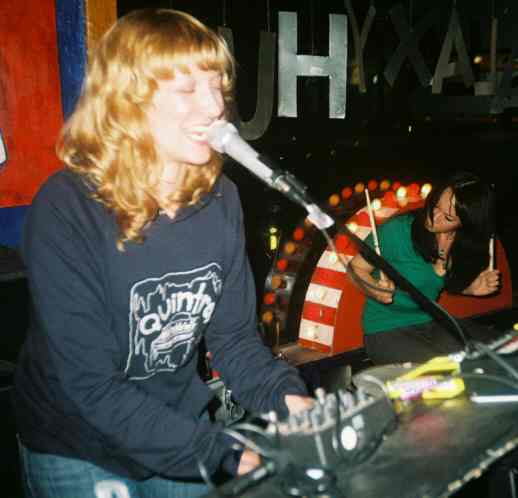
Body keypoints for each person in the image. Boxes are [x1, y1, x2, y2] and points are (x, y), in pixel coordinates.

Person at [12, 9, 312, 498]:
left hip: (176, 425)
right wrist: (222, 453)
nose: (214, 106)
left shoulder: (221, 200)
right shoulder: (67, 208)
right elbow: (91, 386)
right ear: (127, 101)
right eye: (188, 89)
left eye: (216, 85)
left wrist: (290, 401)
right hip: (77, 444)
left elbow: (234, 340)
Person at [348, 171, 500, 365]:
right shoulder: (397, 231)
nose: (433, 217)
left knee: (498, 354)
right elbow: (355, 268)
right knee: (448, 374)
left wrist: (470, 288)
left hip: (432, 322)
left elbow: (434, 283)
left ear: (465, 223)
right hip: (385, 331)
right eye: (435, 205)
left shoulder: (461, 242)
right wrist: (375, 290)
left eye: (448, 217)